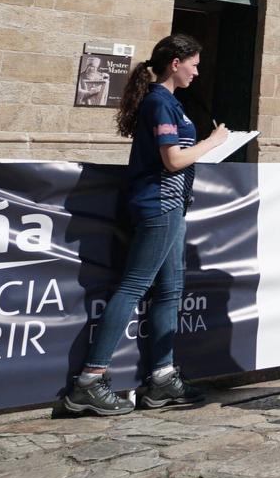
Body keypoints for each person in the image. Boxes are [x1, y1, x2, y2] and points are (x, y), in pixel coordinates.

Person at [62, 34, 229, 416]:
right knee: (134, 286)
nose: (197, 71)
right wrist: (213, 141)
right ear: (176, 62)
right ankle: (89, 380)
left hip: (172, 205)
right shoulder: (159, 102)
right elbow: (172, 160)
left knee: (171, 290)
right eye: (194, 64)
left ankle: (161, 378)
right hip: (158, 204)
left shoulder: (169, 102)